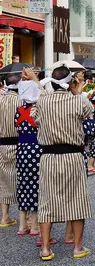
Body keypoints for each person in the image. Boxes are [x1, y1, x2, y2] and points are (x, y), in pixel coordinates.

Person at [31, 66, 93, 261]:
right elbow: (89, 111)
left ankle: (45, 249)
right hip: (73, 156)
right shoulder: (77, 101)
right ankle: (77, 247)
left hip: (48, 156)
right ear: (70, 82)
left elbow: (34, 117)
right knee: (77, 200)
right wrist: (77, 91)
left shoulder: (43, 101)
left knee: (47, 201)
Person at [15, 70, 42, 236]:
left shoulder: (19, 110)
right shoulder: (37, 109)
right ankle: (35, 225)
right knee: (36, 185)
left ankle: (22, 224)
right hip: (36, 149)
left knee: (23, 184)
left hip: (21, 149)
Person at [0, 72, 22, 228]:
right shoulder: (22, 101)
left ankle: (5, 217)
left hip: (2, 143)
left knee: (3, 180)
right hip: (19, 142)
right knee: (22, 179)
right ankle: (26, 218)